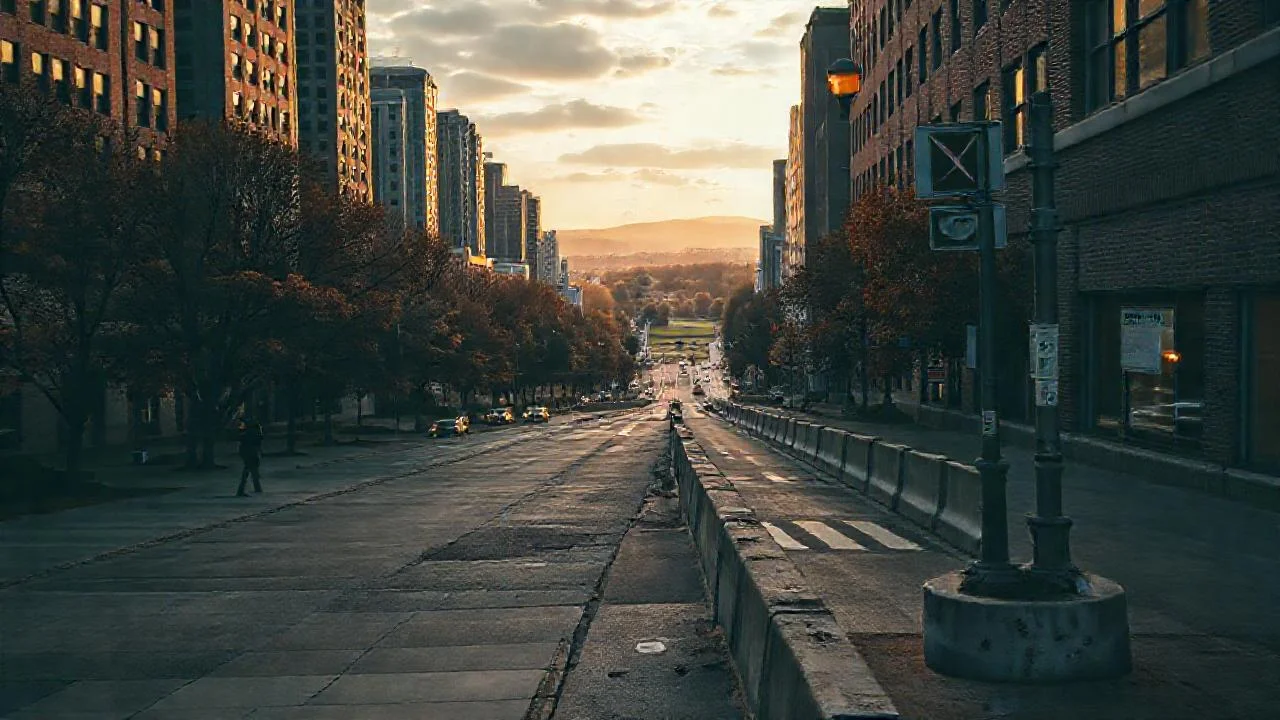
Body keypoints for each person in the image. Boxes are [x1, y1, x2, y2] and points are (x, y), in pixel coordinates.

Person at [236, 416, 265, 497]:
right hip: (251, 452)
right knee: (251, 470)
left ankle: (254, 488)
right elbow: (258, 443)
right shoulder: (255, 432)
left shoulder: (247, 432)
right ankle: (254, 488)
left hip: (247, 452)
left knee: (249, 470)